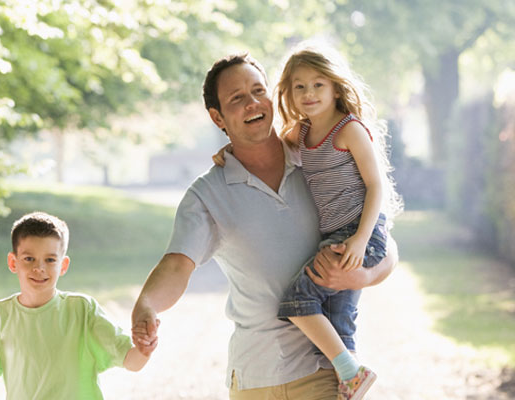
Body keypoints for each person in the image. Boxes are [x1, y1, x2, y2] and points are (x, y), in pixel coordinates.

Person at [131, 53, 399, 400]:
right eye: (237, 99)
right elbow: (177, 264)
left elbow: (383, 238)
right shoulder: (207, 194)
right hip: (256, 378)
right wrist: (146, 305)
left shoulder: (317, 156)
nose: (252, 103)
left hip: (323, 372)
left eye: (258, 91)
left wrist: (364, 275)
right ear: (218, 118)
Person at [211, 44, 402, 399]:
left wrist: (360, 239)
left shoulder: (349, 130)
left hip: (359, 234)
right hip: (334, 237)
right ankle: (349, 377)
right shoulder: (300, 134)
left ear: (335, 87)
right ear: (287, 93)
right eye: (299, 87)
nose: (309, 94)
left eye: (318, 85)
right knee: (337, 316)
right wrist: (231, 150)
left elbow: (377, 186)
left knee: (298, 303)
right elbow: (262, 146)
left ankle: (349, 372)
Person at [0, 212, 155, 400]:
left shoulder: (83, 310)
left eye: (50, 260)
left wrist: (144, 349)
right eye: (29, 258)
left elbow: (131, 361)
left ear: (63, 265)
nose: (39, 268)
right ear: (13, 262)